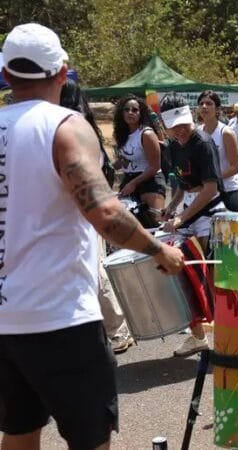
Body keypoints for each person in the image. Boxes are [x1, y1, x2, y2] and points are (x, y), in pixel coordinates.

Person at [0, 23, 184, 450]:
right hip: (59, 318)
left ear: (7, 74)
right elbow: (103, 211)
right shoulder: (66, 125)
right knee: (90, 439)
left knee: (19, 431)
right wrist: (159, 250)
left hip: (5, 321)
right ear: (63, 72)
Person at [60, 79, 135, 354]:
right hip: (81, 213)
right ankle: (105, 330)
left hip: (86, 213)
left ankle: (118, 330)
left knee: (95, 270)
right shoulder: (81, 127)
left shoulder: (71, 129)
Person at [160, 95, 227, 357]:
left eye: (184, 123)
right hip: (188, 211)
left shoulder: (204, 143)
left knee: (209, 277)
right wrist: (171, 207)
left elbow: (210, 189)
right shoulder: (173, 146)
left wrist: (181, 218)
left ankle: (225, 335)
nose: (181, 129)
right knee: (180, 274)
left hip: (209, 213)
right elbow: (182, 186)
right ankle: (198, 336)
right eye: (175, 125)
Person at [113, 94, 167, 221]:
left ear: (141, 113)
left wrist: (133, 183)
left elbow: (155, 166)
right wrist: (107, 167)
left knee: (154, 225)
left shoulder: (146, 133)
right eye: (126, 109)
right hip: (129, 180)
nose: (130, 113)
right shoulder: (121, 135)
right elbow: (123, 160)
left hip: (150, 181)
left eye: (134, 110)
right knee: (124, 227)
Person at [196, 90, 238, 212]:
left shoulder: (226, 132)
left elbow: (234, 167)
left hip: (229, 190)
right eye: (201, 103)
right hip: (206, 192)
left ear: (217, 109)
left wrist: (212, 179)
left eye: (209, 103)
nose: (204, 107)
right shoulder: (196, 133)